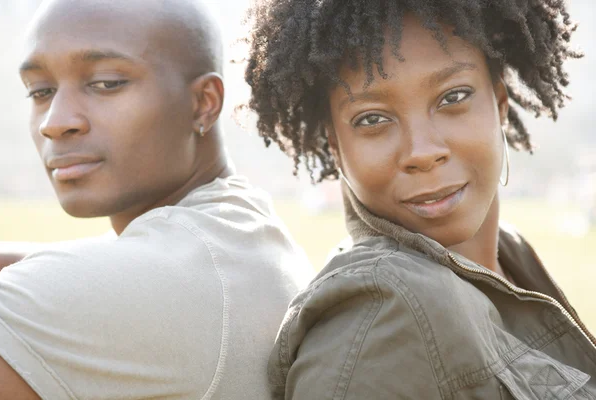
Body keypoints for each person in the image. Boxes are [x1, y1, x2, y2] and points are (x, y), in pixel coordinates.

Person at [245, 0, 596, 398]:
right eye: (373, 119)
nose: (422, 151)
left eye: (453, 97)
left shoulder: (511, 253)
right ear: (336, 146)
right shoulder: (379, 321)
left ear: (499, 102)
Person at [0, 0, 312, 398]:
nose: (55, 123)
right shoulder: (235, 234)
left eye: (107, 83)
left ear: (204, 102)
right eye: (40, 91)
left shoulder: (147, 282)